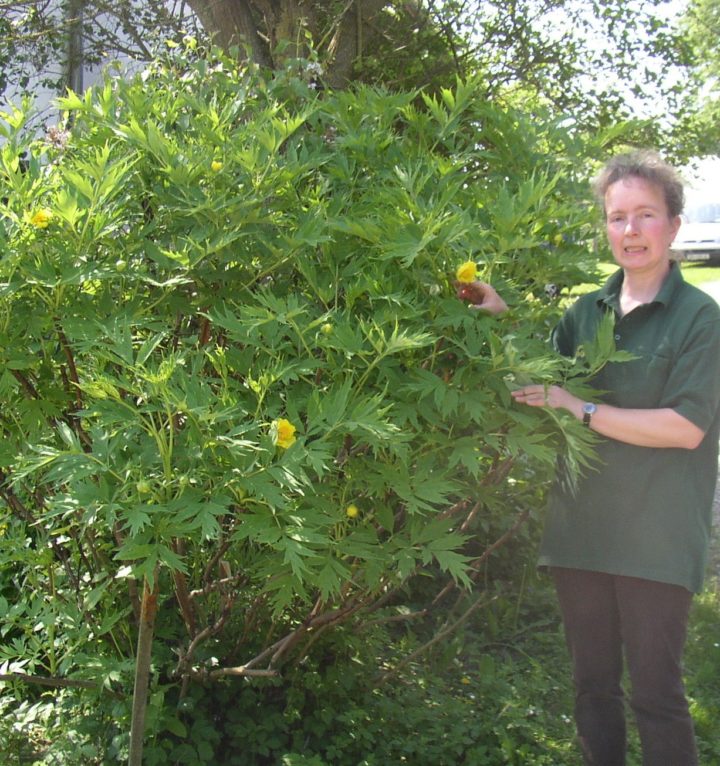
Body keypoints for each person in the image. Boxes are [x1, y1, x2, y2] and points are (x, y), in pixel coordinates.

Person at [458, 150, 720, 765]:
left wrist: (581, 408)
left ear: (674, 225)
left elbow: (685, 428)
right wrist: (502, 322)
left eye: (645, 215)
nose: (630, 230)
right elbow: (545, 379)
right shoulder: (584, 313)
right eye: (617, 216)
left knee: (657, 696)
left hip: (657, 539)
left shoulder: (700, 319)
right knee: (591, 689)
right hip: (583, 532)